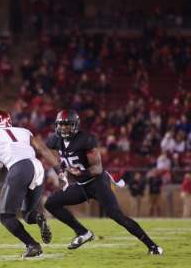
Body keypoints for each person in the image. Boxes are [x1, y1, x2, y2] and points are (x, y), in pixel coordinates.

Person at [45, 109, 163, 255]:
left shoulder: (85, 140)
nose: (63, 128)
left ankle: (153, 246)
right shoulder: (55, 140)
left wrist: (82, 172)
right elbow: (65, 159)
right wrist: (62, 171)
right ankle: (82, 232)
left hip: (97, 182)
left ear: (75, 125)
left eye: (67, 125)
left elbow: (98, 168)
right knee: (50, 203)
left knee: (116, 215)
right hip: (82, 185)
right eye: (61, 125)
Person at [0, 110, 68, 258]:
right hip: (37, 166)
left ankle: (32, 245)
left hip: (19, 168)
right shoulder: (22, 131)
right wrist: (59, 172)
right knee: (28, 214)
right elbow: (42, 149)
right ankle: (38, 217)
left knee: (6, 216)